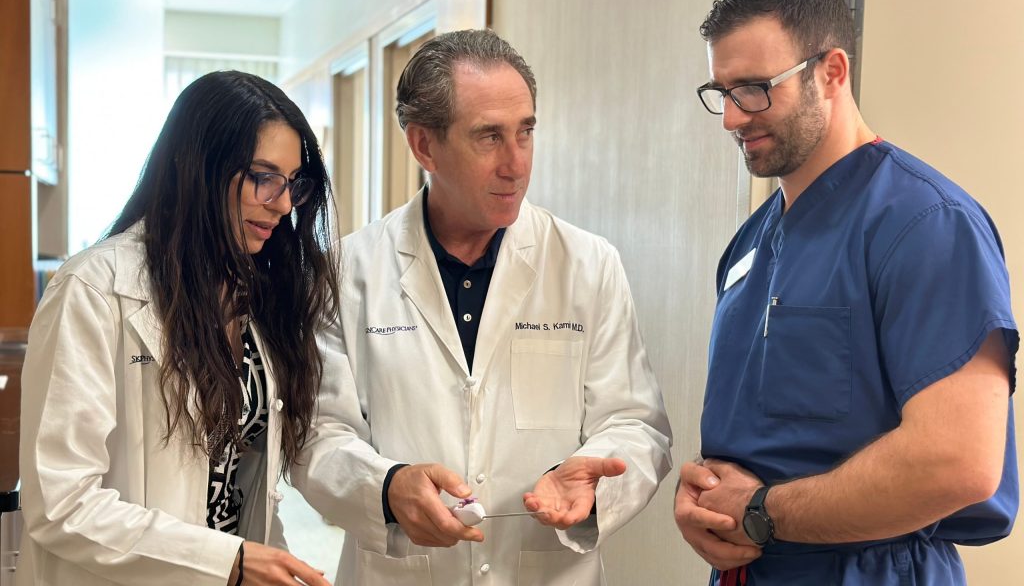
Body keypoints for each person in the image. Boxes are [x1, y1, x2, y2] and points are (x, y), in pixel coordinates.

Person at [673, 0, 1018, 584]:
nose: (731, 117)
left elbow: (958, 463)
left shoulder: (926, 224)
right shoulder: (750, 245)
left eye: (754, 88)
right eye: (722, 92)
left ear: (831, 73)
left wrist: (761, 511)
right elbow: (772, 432)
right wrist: (702, 498)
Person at [290, 29, 673, 585]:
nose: (515, 164)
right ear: (424, 145)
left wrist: (592, 484)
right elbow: (316, 434)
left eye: (526, 132)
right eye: (488, 137)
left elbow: (636, 422)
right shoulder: (346, 272)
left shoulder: (588, 264)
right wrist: (388, 488)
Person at [18, 71, 338, 585]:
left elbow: (239, 481)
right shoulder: (95, 289)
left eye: (292, 183)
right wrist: (226, 560)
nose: (282, 204)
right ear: (201, 169)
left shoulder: (253, 295)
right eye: (263, 176)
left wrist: (267, 558)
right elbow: (60, 503)